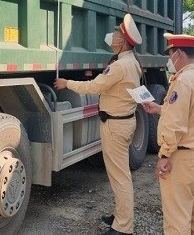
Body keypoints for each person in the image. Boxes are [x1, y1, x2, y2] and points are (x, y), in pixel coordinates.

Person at [54, 13, 142, 235]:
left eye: (115, 33)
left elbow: (93, 87)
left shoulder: (120, 66)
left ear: (122, 41)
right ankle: (121, 215)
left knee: (119, 176)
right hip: (124, 122)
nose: (111, 36)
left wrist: (67, 83)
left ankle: (123, 227)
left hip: (115, 125)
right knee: (119, 174)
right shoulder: (132, 63)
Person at [142, 33, 194, 235]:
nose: (170, 59)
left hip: (183, 158)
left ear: (180, 54)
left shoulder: (183, 81)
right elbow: (192, 114)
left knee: (177, 217)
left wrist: (164, 155)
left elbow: (175, 124)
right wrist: (159, 109)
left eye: (171, 54)